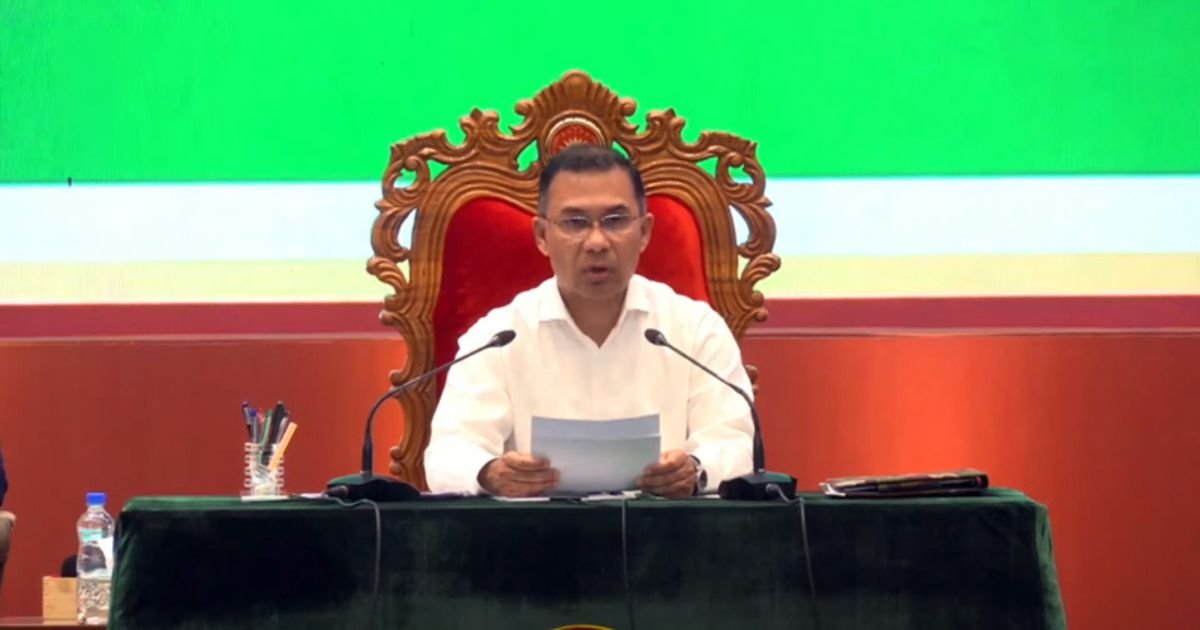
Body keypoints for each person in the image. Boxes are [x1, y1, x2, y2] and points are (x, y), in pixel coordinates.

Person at [407, 144, 754, 498]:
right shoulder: (497, 338)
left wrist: (694, 469)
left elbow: (735, 443)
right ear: (542, 236)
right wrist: (490, 474)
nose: (597, 242)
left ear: (645, 231)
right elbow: (449, 453)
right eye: (575, 223)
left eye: (615, 220)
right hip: (532, 531)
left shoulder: (696, 330)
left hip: (662, 529)